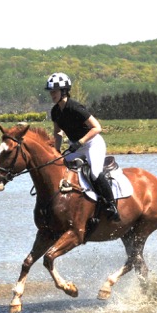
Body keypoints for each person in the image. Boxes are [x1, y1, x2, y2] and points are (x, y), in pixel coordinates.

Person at [47, 72, 120, 221]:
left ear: (64, 91)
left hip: (93, 143)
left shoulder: (75, 107)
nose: (52, 94)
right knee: (59, 166)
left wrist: (80, 142)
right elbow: (58, 132)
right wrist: (56, 152)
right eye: (51, 92)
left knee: (94, 173)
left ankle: (111, 205)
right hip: (76, 147)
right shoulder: (55, 111)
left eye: (54, 91)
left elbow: (97, 127)